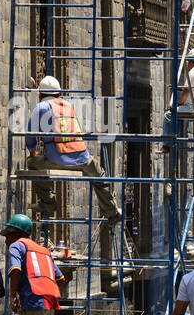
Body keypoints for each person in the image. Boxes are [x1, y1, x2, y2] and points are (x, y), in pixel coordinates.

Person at [24, 76, 122, 223]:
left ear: (41, 94)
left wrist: (32, 152)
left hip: (59, 158)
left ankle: (48, 203)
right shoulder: (68, 105)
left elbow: (30, 134)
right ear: (59, 94)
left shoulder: (41, 107)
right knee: (100, 177)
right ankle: (112, 212)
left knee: (32, 163)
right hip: (82, 158)